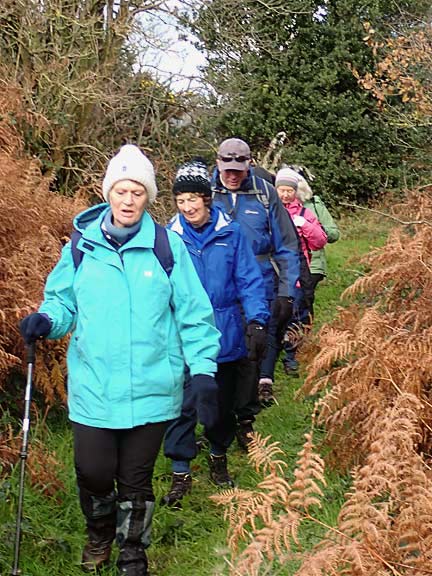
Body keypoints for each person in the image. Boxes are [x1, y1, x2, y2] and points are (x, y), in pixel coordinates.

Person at [19, 145, 221, 576]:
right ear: (108, 193)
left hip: (152, 388)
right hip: (94, 387)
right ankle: (99, 532)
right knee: (92, 472)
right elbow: (63, 304)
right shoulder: (80, 247)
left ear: (148, 198)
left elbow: (194, 313)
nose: (128, 201)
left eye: (138, 192)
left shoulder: (168, 248)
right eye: (121, 191)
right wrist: (45, 320)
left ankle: (133, 552)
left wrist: (203, 370)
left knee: (136, 480)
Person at [161, 158, 270, 505]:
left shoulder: (231, 233)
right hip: (181, 335)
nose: (188, 206)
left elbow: (250, 280)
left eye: (194, 198)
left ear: (207, 199)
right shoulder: (167, 239)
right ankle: (180, 473)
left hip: (224, 332)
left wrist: (257, 320)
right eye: (181, 200)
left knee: (220, 405)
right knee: (181, 406)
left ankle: (218, 456)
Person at [212, 138, 301, 440]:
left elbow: (288, 245)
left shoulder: (266, 194)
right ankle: (215, 421)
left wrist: (287, 292)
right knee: (216, 354)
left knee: (253, 352)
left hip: (259, 284)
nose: (233, 174)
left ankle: (245, 421)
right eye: (228, 168)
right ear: (218, 162)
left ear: (250, 164)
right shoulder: (204, 192)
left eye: (239, 168)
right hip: (215, 287)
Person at [259, 168, 327, 385]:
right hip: (271, 274)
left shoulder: (305, 214)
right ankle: (270, 359)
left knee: (297, 315)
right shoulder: (267, 211)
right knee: (275, 317)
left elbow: (320, 241)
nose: (286, 195)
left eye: (290, 190)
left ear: (296, 192)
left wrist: (304, 226)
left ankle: (291, 357)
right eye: (282, 190)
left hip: (298, 274)